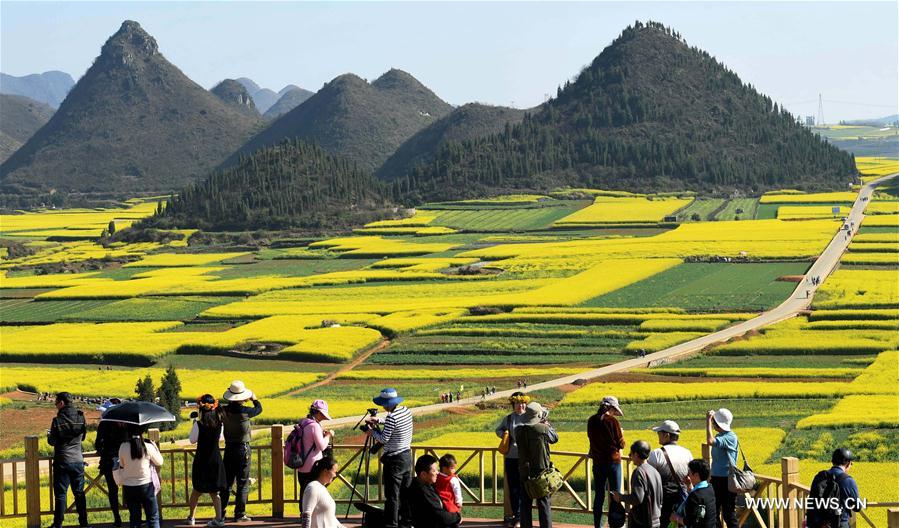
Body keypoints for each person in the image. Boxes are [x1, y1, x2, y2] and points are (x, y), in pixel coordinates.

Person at [365, 388, 413, 528]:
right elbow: (395, 423)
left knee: (392, 496)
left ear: (386, 404)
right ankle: (406, 522)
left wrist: (371, 432)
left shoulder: (391, 417)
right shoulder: (405, 410)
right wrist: (379, 420)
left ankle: (391, 524)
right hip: (406, 456)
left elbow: (384, 438)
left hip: (394, 460)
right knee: (405, 493)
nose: (382, 407)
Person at [220, 381, 263, 523]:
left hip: (229, 449)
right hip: (243, 449)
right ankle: (239, 514)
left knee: (227, 483)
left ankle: (220, 512)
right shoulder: (246, 411)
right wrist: (254, 398)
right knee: (242, 483)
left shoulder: (224, 410)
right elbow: (259, 409)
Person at [48, 392, 89, 528]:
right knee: (79, 493)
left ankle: (58, 524)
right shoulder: (81, 417)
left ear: (62, 403)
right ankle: (84, 523)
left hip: (62, 462)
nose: (55, 405)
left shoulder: (57, 421)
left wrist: (50, 435)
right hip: (77, 460)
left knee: (60, 495)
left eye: (56, 403)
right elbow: (82, 437)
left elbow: (52, 441)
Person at [515, 401, 558, 528]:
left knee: (525, 503)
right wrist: (547, 424)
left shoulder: (519, 430)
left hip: (524, 469)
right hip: (541, 470)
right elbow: (554, 438)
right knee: (543, 503)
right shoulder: (543, 429)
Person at [187, 395, 227, 527]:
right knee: (215, 493)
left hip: (201, 460)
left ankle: (191, 517)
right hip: (215, 460)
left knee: (196, 491)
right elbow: (221, 439)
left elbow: (192, 440)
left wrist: (194, 425)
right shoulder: (219, 425)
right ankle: (219, 519)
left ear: (201, 411)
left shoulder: (199, 424)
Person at [587, 395, 626, 528]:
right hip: (613, 463)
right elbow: (621, 444)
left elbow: (591, 440)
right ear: (611, 408)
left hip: (597, 463)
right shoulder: (613, 422)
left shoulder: (591, 420)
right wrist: (621, 433)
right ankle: (615, 524)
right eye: (615, 410)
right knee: (615, 494)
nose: (615, 413)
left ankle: (597, 525)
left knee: (599, 495)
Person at [646, 420, 693, 526]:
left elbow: (648, 477)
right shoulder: (687, 453)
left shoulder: (657, 454)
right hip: (682, 498)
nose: (658, 435)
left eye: (659, 433)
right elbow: (690, 476)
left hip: (663, 500)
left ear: (666, 435)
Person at [118, 426, 164, 528]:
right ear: (142, 431)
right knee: (152, 518)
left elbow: (121, 464)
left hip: (129, 487)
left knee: (135, 519)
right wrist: (155, 446)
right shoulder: (147, 446)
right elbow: (160, 462)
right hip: (146, 486)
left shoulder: (123, 446)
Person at [495, 392, 529, 528]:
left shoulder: (529, 417)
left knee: (526, 487)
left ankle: (524, 516)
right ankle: (517, 516)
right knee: (514, 488)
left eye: (522, 403)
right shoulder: (509, 419)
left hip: (526, 458)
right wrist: (505, 435)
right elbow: (498, 430)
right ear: (513, 405)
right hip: (511, 456)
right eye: (517, 404)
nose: (520, 406)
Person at [294, 400, 335, 511]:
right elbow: (321, 446)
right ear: (318, 413)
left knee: (303, 490)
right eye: (323, 414)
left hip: (301, 463)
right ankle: (309, 516)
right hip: (312, 465)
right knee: (313, 491)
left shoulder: (303, 422)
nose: (323, 417)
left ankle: (303, 515)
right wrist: (328, 436)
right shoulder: (314, 426)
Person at [611, 440, 662, 528]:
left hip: (644, 521)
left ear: (636, 454)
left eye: (631, 453)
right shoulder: (654, 471)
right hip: (656, 519)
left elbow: (637, 499)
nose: (629, 456)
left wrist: (620, 497)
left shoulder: (639, 472)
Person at [806, 448, 861, 528]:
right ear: (848, 464)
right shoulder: (848, 480)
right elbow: (857, 507)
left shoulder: (820, 476)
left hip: (819, 524)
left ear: (833, 461)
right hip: (839, 523)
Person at [406, 454, 462, 528]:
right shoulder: (423, 491)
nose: (437, 473)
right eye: (434, 471)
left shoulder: (423, 484)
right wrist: (457, 517)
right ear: (423, 474)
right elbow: (440, 516)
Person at [95, 404, 127, 527]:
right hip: (125, 460)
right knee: (129, 488)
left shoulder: (104, 424)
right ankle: (134, 517)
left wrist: (103, 452)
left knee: (112, 491)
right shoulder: (125, 424)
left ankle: (117, 518)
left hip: (109, 461)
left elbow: (98, 444)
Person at [706, 408, 738, 528]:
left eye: (715, 422)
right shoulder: (722, 435)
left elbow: (710, 441)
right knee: (713, 511)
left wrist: (708, 420)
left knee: (728, 514)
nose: (713, 424)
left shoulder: (730, 437)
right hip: (717, 479)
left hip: (727, 480)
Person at [301, 457, 345, 528]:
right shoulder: (312, 488)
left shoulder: (322, 488)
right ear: (325, 471)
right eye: (334, 471)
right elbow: (306, 516)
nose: (335, 475)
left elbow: (330, 517)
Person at [671, 459, 716, 528]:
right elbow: (699, 498)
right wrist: (689, 485)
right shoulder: (709, 487)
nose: (688, 475)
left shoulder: (695, 496)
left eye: (689, 472)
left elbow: (691, 521)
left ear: (696, 475)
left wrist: (676, 518)